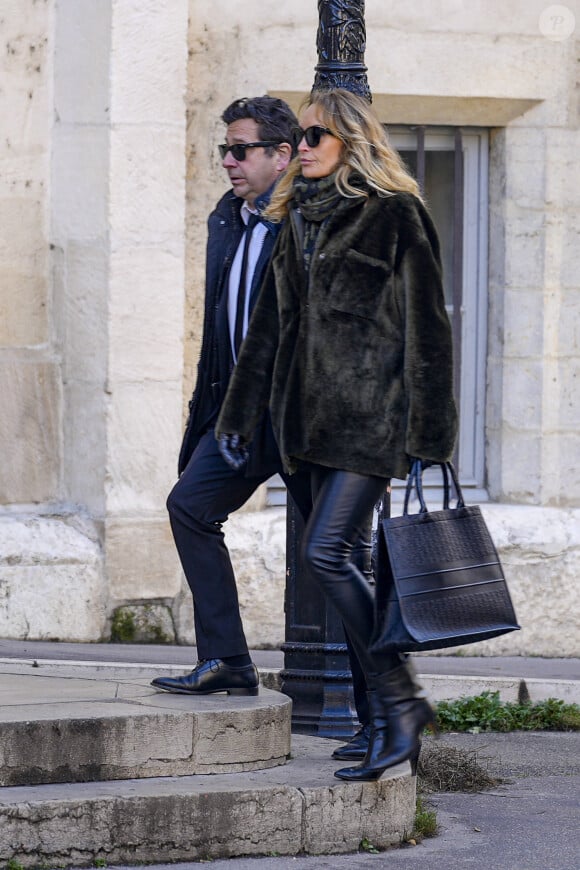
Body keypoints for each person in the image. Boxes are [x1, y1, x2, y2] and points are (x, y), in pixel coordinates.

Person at [216, 88, 458, 781]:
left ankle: (399, 699)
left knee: (326, 554)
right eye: (302, 137)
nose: (304, 146)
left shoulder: (396, 214)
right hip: (303, 426)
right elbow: (268, 328)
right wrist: (238, 417)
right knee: (344, 561)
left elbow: (429, 330)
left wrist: (429, 435)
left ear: (350, 140)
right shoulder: (295, 219)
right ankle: (384, 718)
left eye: (315, 135)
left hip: (369, 422)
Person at [151, 96, 372, 758]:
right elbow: (222, 337)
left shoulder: (311, 218)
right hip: (241, 419)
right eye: (225, 149)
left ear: (282, 155)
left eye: (241, 149)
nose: (228, 161)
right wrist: (204, 427)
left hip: (305, 423)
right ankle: (226, 660)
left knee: (337, 561)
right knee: (189, 506)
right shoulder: (231, 219)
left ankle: (381, 714)